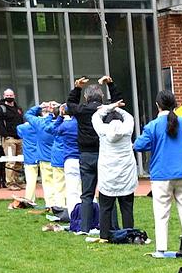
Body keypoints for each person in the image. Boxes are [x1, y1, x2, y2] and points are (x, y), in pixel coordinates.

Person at [133, 90, 182, 257]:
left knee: (161, 213)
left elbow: (138, 145)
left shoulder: (153, 126)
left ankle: (161, 249)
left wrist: (154, 144)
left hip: (161, 175)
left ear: (158, 105)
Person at [66, 76, 123, 234]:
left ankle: (84, 227)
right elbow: (120, 103)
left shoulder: (82, 110)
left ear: (86, 97)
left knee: (86, 195)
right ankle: (112, 226)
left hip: (86, 155)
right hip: (105, 153)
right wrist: (111, 84)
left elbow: (70, 105)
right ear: (102, 96)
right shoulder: (107, 109)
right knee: (109, 192)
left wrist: (77, 88)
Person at [91, 102, 137, 242]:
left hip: (108, 175)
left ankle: (104, 236)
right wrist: (118, 108)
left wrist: (109, 107)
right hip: (126, 174)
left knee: (105, 208)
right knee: (127, 208)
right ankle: (129, 234)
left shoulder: (103, 130)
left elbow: (95, 117)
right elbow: (129, 117)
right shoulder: (127, 129)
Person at [24, 102, 62, 208]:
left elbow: (28, 115)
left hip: (45, 159)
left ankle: (51, 205)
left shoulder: (40, 123)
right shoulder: (64, 123)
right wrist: (59, 107)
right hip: (60, 158)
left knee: (48, 183)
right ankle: (62, 204)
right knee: (61, 183)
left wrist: (40, 106)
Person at [47, 107, 80, 211]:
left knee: (59, 184)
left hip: (62, 157)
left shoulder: (64, 125)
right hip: (78, 157)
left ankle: (61, 207)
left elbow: (51, 130)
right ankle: (82, 209)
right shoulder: (81, 124)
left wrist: (59, 117)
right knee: (80, 187)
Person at [0, 88, 24, 190]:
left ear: (14, 96)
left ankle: (18, 182)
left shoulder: (19, 109)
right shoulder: (1, 109)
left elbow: (22, 121)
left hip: (20, 139)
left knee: (19, 162)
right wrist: (6, 136)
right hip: (9, 139)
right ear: (4, 96)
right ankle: (10, 183)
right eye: (7, 95)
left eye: (11, 95)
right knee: (10, 162)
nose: (9, 97)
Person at [16, 116, 39, 204]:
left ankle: (29, 199)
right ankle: (52, 201)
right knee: (49, 180)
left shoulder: (23, 128)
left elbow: (19, 130)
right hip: (42, 156)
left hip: (30, 157)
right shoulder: (40, 126)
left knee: (30, 180)